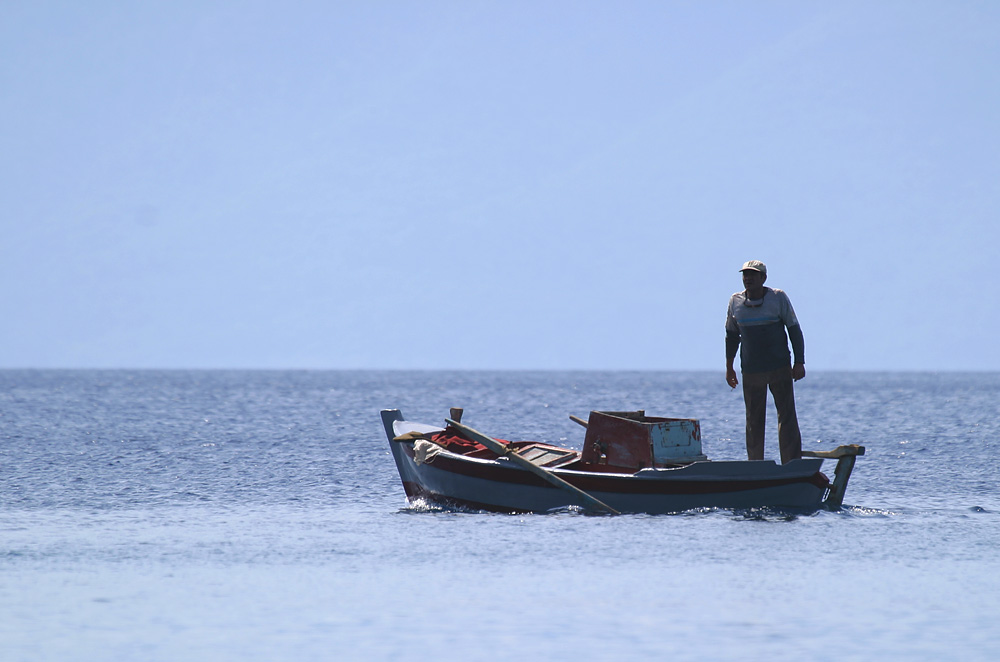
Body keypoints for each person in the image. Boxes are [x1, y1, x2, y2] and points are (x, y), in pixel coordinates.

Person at [725, 260, 805, 463]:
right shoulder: (735, 301)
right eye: (745, 275)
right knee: (753, 419)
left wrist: (799, 362)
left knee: (786, 416)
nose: (748, 279)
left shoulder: (778, 298)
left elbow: (794, 329)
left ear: (763, 278)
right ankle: (756, 464)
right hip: (752, 370)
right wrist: (729, 367)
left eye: (753, 275)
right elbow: (731, 336)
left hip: (779, 367)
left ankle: (791, 462)